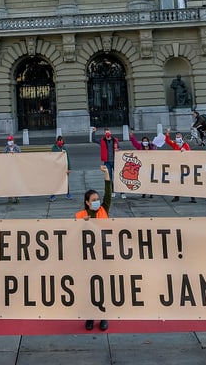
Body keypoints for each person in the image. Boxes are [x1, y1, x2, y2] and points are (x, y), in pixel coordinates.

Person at [76, 166, 112, 332]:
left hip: (103, 255)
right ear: (87, 202)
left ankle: (103, 316)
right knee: (89, 286)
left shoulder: (104, 209)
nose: (97, 201)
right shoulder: (80, 215)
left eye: (98, 198)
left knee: (103, 285)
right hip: (87, 257)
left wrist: (106, 174)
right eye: (94, 200)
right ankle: (90, 316)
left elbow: (108, 193)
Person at [166, 130, 197, 202]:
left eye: (179, 137)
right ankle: (176, 196)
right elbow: (168, 141)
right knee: (177, 181)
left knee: (188, 181)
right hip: (177, 165)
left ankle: (193, 197)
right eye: (176, 137)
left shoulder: (185, 145)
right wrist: (167, 133)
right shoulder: (175, 144)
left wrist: (185, 151)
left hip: (185, 166)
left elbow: (190, 153)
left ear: (181, 137)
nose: (178, 138)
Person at [92, 127, 123, 197]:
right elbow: (94, 140)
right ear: (105, 134)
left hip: (115, 161)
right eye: (106, 132)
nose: (107, 133)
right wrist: (93, 132)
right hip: (107, 162)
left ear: (110, 133)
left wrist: (118, 149)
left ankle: (122, 192)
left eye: (108, 132)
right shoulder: (102, 140)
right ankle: (112, 191)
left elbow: (120, 147)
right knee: (109, 177)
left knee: (118, 177)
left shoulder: (115, 140)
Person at [49, 135, 73, 202]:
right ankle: (53, 195)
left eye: (61, 140)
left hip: (64, 167)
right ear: (57, 141)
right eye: (59, 140)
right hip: (56, 168)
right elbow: (53, 157)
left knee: (66, 181)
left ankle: (68, 194)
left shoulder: (64, 148)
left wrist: (69, 168)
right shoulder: (54, 148)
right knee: (55, 182)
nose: (60, 142)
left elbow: (67, 158)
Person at [3, 135, 21, 203]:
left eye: (11, 140)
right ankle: (9, 198)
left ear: (13, 141)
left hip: (16, 168)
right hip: (8, 168)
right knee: (9, 183)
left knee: (16, 183)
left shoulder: (17, 148)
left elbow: (21, 156)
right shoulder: (5, 149)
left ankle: (17, 198)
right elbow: (2, 157)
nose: (10, 142)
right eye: (8, 140)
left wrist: (15, 154)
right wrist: (8, 154)